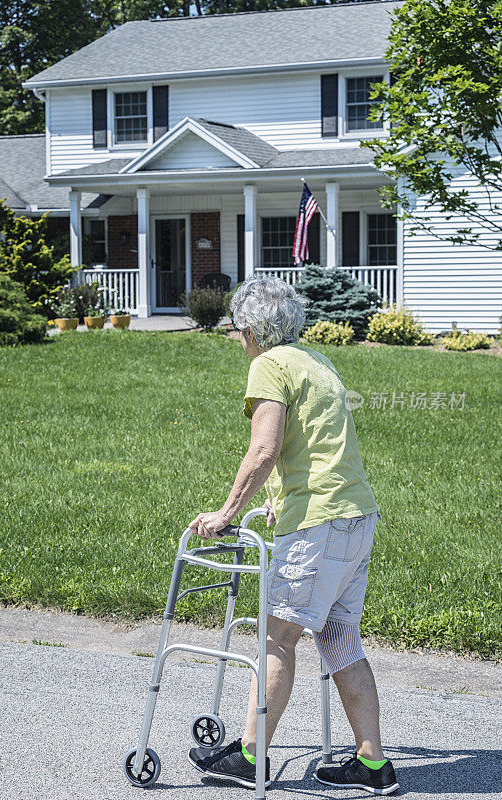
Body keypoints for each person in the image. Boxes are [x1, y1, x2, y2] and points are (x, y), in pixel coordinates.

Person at [188, 276, 399, 796]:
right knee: (339, 638)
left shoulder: (269, 364)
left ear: (254, 329)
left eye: (240, 331)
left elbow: (264, 449)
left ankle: (250, 756)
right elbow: (318, 446)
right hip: (356, 516)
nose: (239, 341)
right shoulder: (318, 363)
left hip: (319, 524)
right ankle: (372, 766)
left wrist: (227, 511)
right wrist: (275, 500)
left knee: (277, 637)